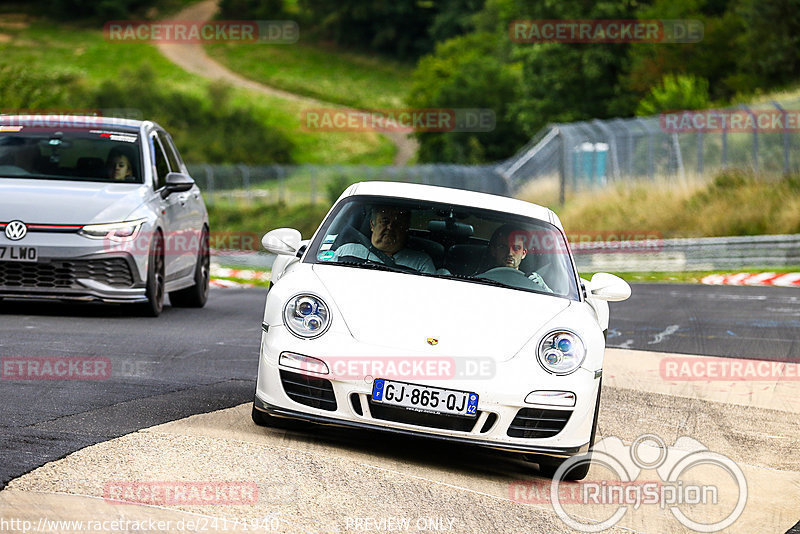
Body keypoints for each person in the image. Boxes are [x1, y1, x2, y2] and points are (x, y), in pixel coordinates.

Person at [333, 205, 436, 273]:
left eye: (398, 223)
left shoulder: (421, 263)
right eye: (385, 221)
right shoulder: (346, 251)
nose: (390, 227)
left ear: (405, 229)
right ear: (372, 225)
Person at [485, 224, 551, 292]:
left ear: (523, 253)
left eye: (516, 248)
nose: (510, 253)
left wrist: (543, 288)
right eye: (503, 247)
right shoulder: (479, 280)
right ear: (494, 251)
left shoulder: (532, 282)